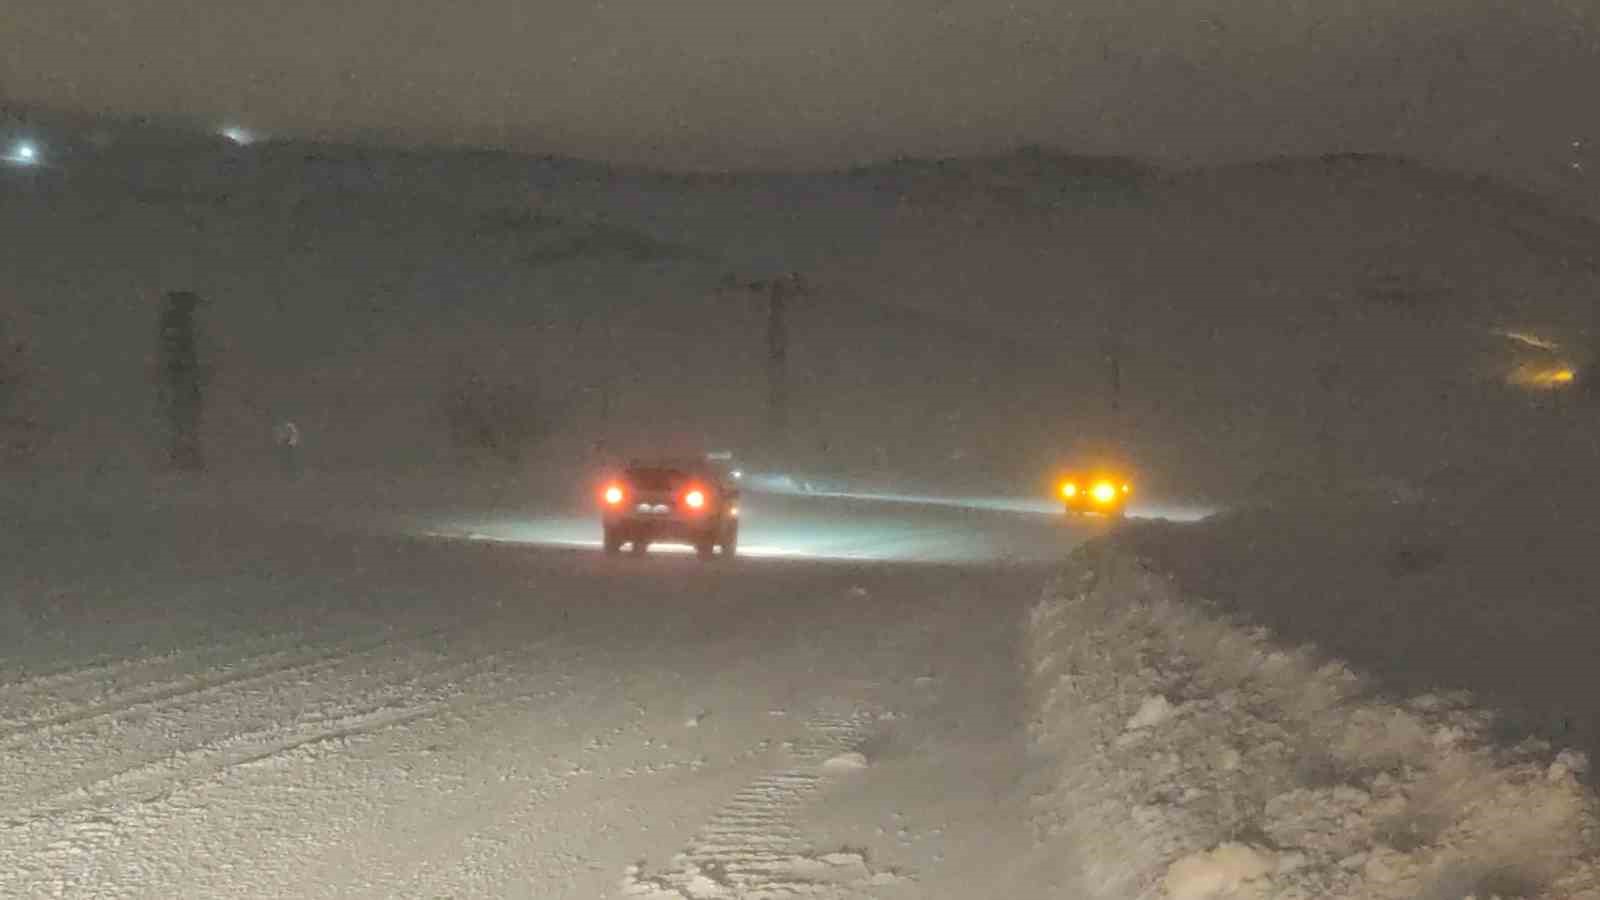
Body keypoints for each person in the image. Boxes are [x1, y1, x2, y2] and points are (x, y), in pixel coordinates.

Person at [157, 291, 205, 471]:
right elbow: (173, 350)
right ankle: (182, 453)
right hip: (180, 374)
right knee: (182, 413)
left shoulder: (177, 324)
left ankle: (184, 453)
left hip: (183, 374)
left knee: (185, 413)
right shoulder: (177, 324)